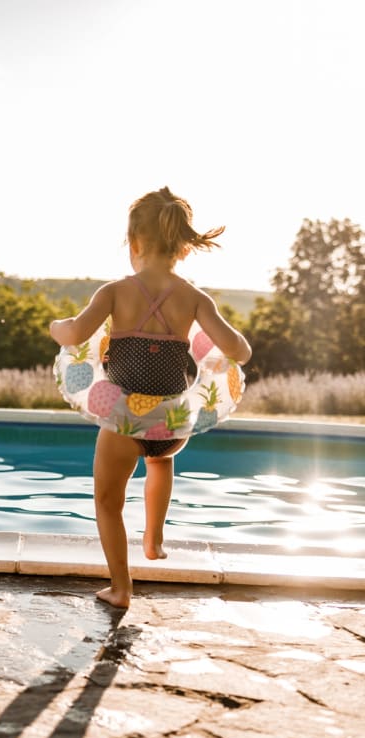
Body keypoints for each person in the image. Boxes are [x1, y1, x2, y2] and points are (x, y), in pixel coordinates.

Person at [49, 187, 251, 608]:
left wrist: (57, 326)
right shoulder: (195, 298)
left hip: (125, 419)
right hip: (172, 424)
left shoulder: (113, 292)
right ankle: (155, 538)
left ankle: (121, 588)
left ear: (135, 243)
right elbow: (240, 352)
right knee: (160, 462)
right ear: (183, 249)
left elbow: (75, 335)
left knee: (107, 501)